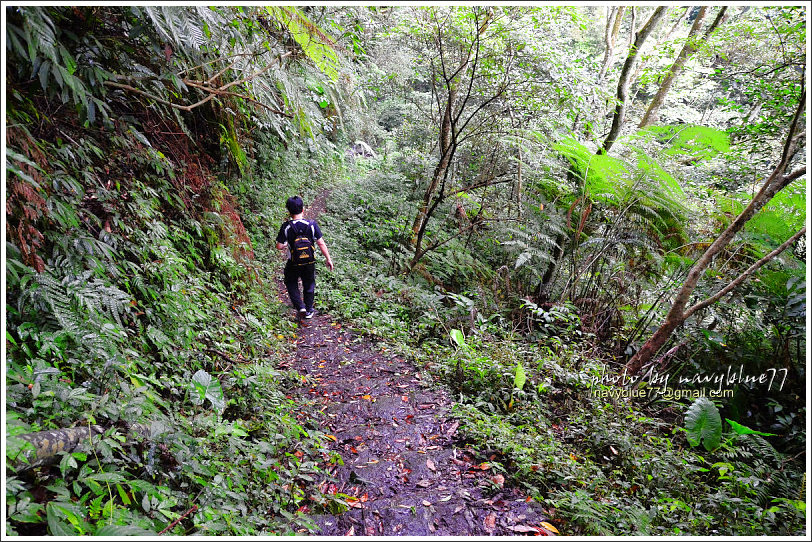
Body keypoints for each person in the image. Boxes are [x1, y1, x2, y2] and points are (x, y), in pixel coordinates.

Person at [276, 196, 334, 320]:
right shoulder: (311, 225)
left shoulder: (286, 226)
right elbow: (321, 243)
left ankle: (300, 306)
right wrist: (328, 258)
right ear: (303, 209)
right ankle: (308, 310)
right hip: (309, 261)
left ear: (289, 211)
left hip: (293, 262)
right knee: (309, 284)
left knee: (291, 282)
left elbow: (279, 246)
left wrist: (286, 243)